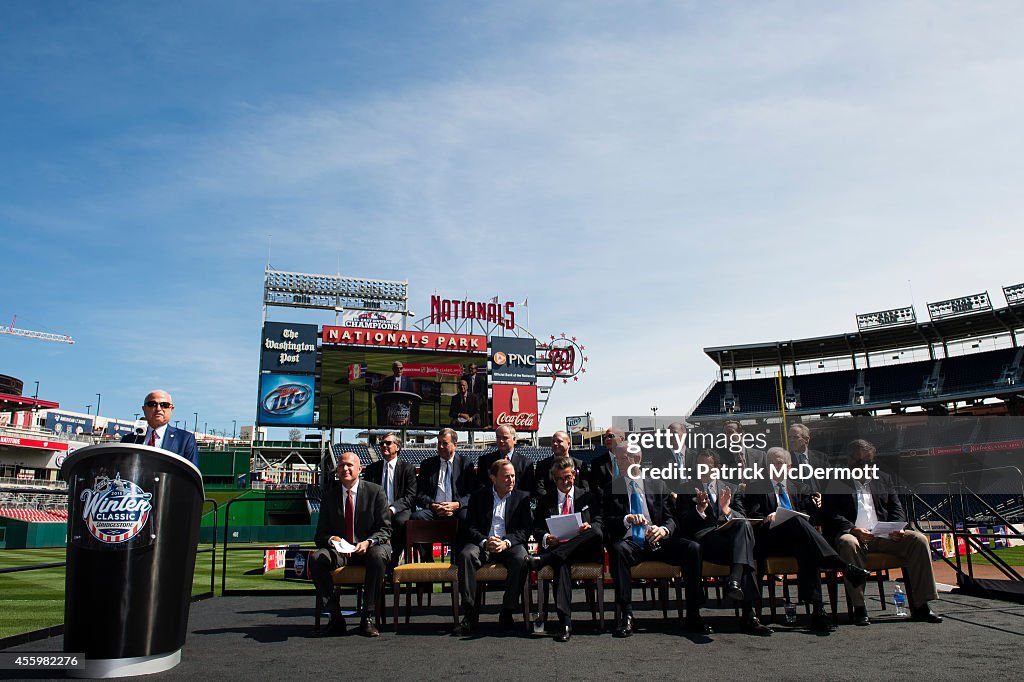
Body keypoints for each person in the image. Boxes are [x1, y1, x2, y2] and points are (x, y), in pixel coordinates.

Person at [737, 447, 869, 633]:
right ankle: (840, 566)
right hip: (769, 540)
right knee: (802, 531)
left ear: (789, 467)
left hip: (796, 541)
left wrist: (818, 507)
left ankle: (818, 611)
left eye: (779, 463)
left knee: (807, 545)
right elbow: (753, 516)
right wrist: (769, 516)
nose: (775, 467)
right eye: (771, 463)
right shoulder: (756, 487)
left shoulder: (801, 488)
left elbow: (813, 519)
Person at [819, 439, 943, 626]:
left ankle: (921, 605)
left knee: (918, 540)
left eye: (868, 462)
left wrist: (897, 528)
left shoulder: (883, 479)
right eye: (859, 462)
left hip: (884, 535)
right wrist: (853, 529)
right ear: (849, 461)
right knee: (848, 542)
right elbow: (829, 514)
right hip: (854, 535)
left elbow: (897, 509)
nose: (864, 466)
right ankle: (859, 607)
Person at [602, 437, 707, 637]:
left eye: (623, 459)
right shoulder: (611, 488)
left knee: (692, 547)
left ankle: (693, 613)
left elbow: (672, 518)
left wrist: (663, 530)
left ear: (637, 459)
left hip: (660, 541)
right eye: (617, 460)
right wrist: (626, 519)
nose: (619, 464)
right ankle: (627, 615)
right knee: (617, 549)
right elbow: (608, 521)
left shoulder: (658, 485)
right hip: (632, 543)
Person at [678, 449, 772, 635]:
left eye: (708, 466)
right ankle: (748, 612)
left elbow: (742, 516)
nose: (703, 469)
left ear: (717, 468)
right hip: (704, 540)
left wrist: (726, 509)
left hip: (729, 540)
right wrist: (700, 510)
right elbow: (682, 524)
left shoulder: (732, 488)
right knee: (744, 551)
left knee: (743, 531)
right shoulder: (687, 489)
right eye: (700, 465)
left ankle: (738, 588)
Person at [310, 452, 391, 637]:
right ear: (337, 470)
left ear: (359, 469)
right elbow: (320, 535)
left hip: (369, 547)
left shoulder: (375, 491)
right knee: (316, 559)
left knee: (378, 556)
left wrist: (368, 542)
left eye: (349, 465)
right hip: (341, 552)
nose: (345, 469)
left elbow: (385, 530)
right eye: (341, 466)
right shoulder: (329, 496)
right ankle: (335, 616)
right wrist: (333, 540)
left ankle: (368, 617)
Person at [454, 459, 533, 635]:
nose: (511, 480)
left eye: (513, 476)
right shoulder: (478, 497)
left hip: (509, 545)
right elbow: (470, 527)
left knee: (521, 558)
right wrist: (484, 541)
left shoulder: (522, 498)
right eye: (506, 477)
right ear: (493, 478)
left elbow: (525, 529)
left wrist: (506, 542)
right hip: (483, 545)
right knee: (466, 555)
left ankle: (507, 611)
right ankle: (470, 614)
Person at [530, 456, 603, 642]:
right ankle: (565, 622)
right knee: (561, 563)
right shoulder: (546, 500)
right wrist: (547, 538)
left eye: (568, 477)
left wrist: (587, 526)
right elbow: (537, 529)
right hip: (560, 548)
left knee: (595, 531)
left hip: (585, 549)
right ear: (554, 479)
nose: (565, 482)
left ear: (574, 475)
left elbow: (599, 522)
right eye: (561, 478)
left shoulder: (588, 496)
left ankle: (547, 559)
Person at [362, 432, 416, 571]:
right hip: (376, 511)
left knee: (400, 521)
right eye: (382, 444)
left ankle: (393, 559)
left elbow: (410, 496)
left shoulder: (407, 469)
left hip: (398, 511)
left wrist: (392, 509)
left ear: (397, 447)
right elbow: (366, 495)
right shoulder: (372, 469)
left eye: (388, 443)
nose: (384, 446)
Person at [411, 428, 475, 526]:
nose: (440, 446)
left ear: (455, 445)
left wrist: (456, 505)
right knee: (416, 517)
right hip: (434, 509)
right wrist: (433, 505)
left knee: (467, 517)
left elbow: (472, 493)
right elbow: (420, 493)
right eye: (439, 443)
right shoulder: (427, 464)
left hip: (457, 509)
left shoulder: (465, 464)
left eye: (445, 443)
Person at [121, 389, 199, 467]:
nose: (158, 409)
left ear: (171, 409)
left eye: (164, 405)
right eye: (152, 404)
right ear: (144, 409)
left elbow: (191, 474)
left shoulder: (185, 440)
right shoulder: (128, 441)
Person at [476, 425, 536, 494]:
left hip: (516, 503)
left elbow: (528, 489)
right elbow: (481, 486)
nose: (501, 441)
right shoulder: (485, 460)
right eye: (498, 437)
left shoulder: (526, 463)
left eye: (505, 438)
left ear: (514, 440)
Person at [534, 430, 588, 499]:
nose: (555, 444)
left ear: (568, 444)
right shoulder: (542, 465)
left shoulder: (580, 465)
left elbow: (585, 488)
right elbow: (539, 489)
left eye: (559, 441)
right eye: (553, 441)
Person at [587, 427, 623, 494]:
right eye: (605, 437)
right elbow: (595, 487)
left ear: (621, 439)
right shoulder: (597, 463)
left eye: (610, 436)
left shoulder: (631, 460)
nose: (607, 439)